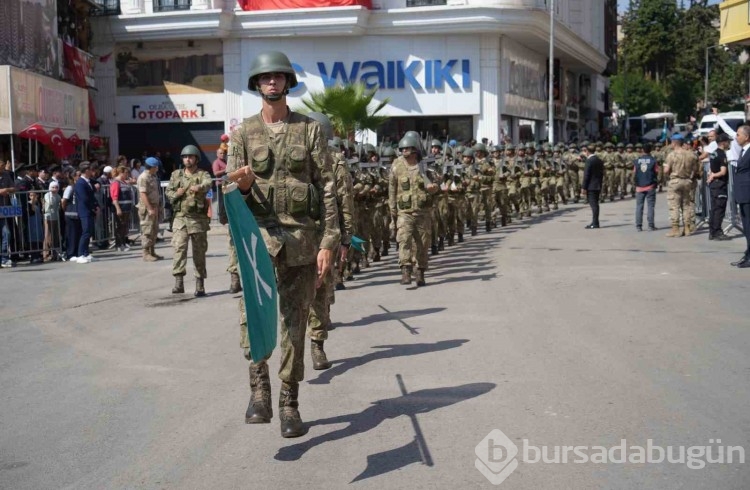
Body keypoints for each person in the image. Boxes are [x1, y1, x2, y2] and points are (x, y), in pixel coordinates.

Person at [225, 50, 340, 438]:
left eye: (278, 77)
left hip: (301, 243)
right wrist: (239, 187)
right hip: (256, 245)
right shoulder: (242, 134)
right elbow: (228, 198)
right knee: (253, 321)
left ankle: (289, 403)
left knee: (294, 327)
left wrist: (329, 240)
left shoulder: (308, 130)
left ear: (287, 83)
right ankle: (260, 391)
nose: (271, 82)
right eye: (265, 77)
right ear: (257, 84)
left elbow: (327, 188)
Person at [389, 133, 439, 286]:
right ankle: (405, 270)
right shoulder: (396, 165)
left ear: (415, 150)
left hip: (422, 212)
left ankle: (420, 270)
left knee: (422, 244)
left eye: (408, 148)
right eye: (402, 149)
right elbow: (392, 190)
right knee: (403, 240)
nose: (404, 151)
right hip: (404, 212)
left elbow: (438, 184)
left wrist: (433, 188)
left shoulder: (427, 165)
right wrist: (393, 214)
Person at [166, 145, 212, 296]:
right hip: (180, 218)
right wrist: (177, 194)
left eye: (190, 157)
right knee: (179, 248)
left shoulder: (202, 174)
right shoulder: (176, 175)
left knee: (199, 252)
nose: (187, 159)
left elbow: (208, 183)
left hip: (197, 219)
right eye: (185, 157)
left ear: (196, 159)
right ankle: (178, 282)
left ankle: (200, 284)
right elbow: (169, 192)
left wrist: (199, 186)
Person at [663, 134, 699, 238]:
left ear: (674, 143)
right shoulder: (691, 155)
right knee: (686, 205)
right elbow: (696, 169)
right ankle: (687, 228)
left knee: (674, 206)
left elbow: (666, 170)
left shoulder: (671, 155)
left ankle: (675, 229)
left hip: (675, 181)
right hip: (687, 181)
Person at [731, 125, 750, 268]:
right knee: (747, 227)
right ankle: (748, 254)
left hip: (748, 194)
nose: (736, 137)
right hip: (743, 195)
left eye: (738, 135)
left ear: (746, 136)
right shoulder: (743, 151)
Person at [706, 134, 731, 241]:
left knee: (714, 208)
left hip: (713, 185)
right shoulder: (721, 155)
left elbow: (711, 169)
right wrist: (713, 175)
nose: (729, 143)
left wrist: (711, 176)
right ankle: (717, 232)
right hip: (719, 184)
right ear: (723, 142)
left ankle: (712, 232)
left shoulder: (713, 154)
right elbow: (723, 172)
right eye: (728, 141)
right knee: (719, 209)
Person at [74, 162, 100, 263]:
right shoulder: (80, 183)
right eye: (90, 170)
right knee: (85, 232)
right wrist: (93, 207)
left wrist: (96, 205)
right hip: (84, 210)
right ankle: (80, 254)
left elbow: (92, 195)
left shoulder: (88, 181)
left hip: (89, 210)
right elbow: (84, 198)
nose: (91, 171)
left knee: (89, 232)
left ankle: (86, 253)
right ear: (86, 171)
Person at [137, 157, 162, 261]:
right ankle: (146, 253)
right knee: (147, 230)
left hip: (154, 206)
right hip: (147, 208)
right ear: (151, 167)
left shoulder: (153, 176)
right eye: (156, 167)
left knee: (154, 230)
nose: (157, 169)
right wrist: (150, 208)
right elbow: (143, 194)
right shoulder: (143, 177)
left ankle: (152, 251)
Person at [633, 143, 659, 232]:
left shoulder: (637, 161)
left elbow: (634, 172)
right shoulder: (653, 161)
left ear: (642, 150)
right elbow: (656, 172)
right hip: (650, 185)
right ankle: (651, 226)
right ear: (650, 150)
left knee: (639, 206)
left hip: (639, 186)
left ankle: (638, 226)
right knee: (650, 206)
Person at [110, 166, 134, 251]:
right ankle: (119, 245)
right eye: (126, 173)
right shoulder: (116, 182)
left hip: (126, 208)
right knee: (120, 226)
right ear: (121, 173)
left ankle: (123, 243)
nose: (127, 175)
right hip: (121, 208)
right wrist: (118, 208)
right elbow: (114, 197)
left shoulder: (123, 182)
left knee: (124, 226)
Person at [581, 141, 603, 229]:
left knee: (593, 205)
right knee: (596, 204)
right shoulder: (599, 160)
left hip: (591, 186)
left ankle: (595, 223)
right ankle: (595, 222)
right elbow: (601, 173)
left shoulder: (589, 161)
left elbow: (586, 175)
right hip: (597, 185)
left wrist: (583, 187)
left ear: (587, 151)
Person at [61, 170, 81, 262]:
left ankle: (77, 252)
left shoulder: (79, 186)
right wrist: (66, 210)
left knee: (78, 234)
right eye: (78, 175)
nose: (80, 177)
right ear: (74, 177)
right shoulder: (70, 187)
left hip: (78, 214)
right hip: (70, 214)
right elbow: (64, 201)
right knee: (71, 234)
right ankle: (71, 253)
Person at [43, 181, 62, 261]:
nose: (54, 189)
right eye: (53, 187)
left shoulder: (58, 196)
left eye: (56, 187)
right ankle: (46, 254)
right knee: (48, 235)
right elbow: (49, 202)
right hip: (48, 217)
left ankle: (55, 253)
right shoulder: (47, 195)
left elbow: (59, 205)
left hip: (55, 217)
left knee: (55, 236)